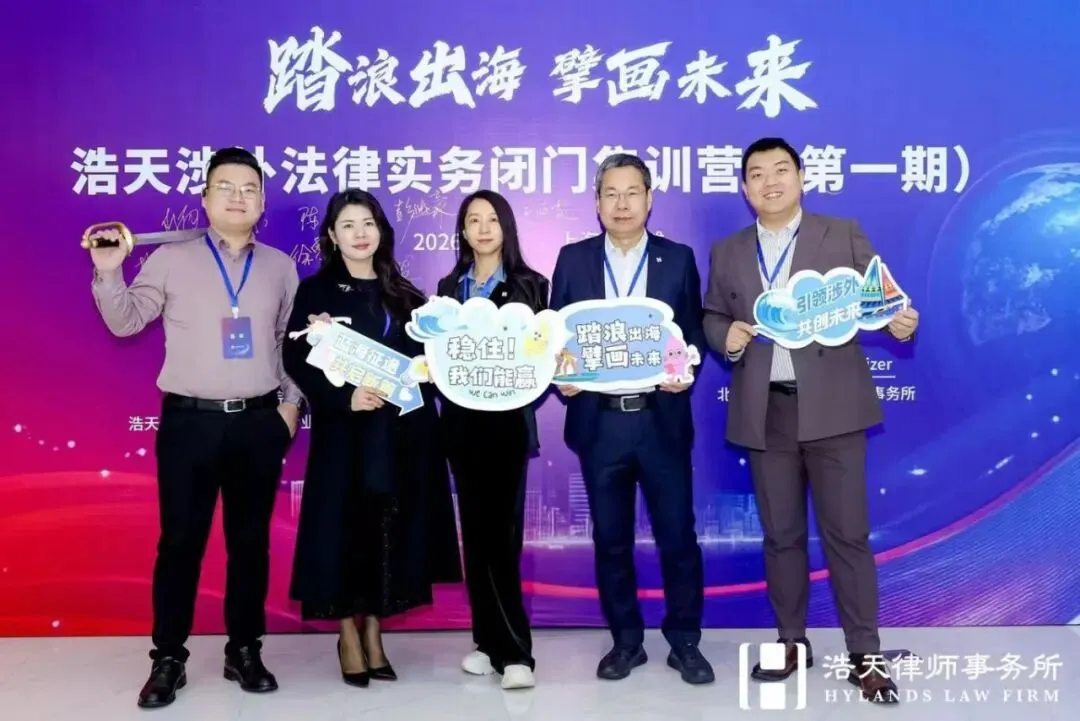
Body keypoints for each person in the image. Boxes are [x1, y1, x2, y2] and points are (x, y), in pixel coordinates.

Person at [702, 137, 919, 705]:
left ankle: (864, 654)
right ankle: (791, 641)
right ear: (744, 188)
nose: (769, 181)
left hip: (835, 409)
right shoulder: (728, 251)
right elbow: (712, 314)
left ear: (801, 178)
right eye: (756, 174)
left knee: (848, 535)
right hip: (765, 410)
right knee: (782, 536)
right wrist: (724, 335)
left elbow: (881, 301)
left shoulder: (841, 234)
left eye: (781, 170)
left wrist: (899, 321)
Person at [88, 147, 300, 708]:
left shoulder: (279, 266)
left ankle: (244, 649)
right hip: (189, 423)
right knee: (180, 543)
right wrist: (109, 273)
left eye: (249, 188)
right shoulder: (171, 258)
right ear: (205, 198)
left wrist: (289, 408)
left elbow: (292, 345)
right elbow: (126, 321)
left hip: (259, 422)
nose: (238, 197)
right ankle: (168, 658)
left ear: (262, 201)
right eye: (225, 187)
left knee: (250, 544)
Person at [282, 189, 462, 687]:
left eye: (368, 223)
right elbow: (295, 357)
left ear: (381, 231)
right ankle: (347, 634)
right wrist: (344, 398)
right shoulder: (316, 293)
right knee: (343, 531)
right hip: (346, 436)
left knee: (388, 532)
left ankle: (376, 632)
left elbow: (429, 362)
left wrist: (431, 370)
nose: (360, 234)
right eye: (348, 225)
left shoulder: (406, 294)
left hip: (401, 436)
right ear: (332, 236)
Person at [549, 153, 714, 685]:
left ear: (649, 199)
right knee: (611, 539)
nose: (621, 204)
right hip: (600, 424)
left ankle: (685, 641)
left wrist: (687, 367)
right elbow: (557, 336)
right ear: (597, 203)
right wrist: (561, 371)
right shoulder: (572, 259)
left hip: (660, 419)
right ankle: (626, 641)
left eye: (631, 192)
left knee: (677, 536)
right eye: (611, 194)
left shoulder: (677, 258)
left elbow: (692, 331)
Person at [434, 189, 549, 690]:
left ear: (506, 227)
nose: (483, 229)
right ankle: (485, 642)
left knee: (502, 540)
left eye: (492, 219)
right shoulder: (448, 288)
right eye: (473, 220)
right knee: (476, 538)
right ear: (462, 230)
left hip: (506, 427)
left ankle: (517, 653)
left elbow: (542, 353)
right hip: (461, 426)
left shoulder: (531, 285)